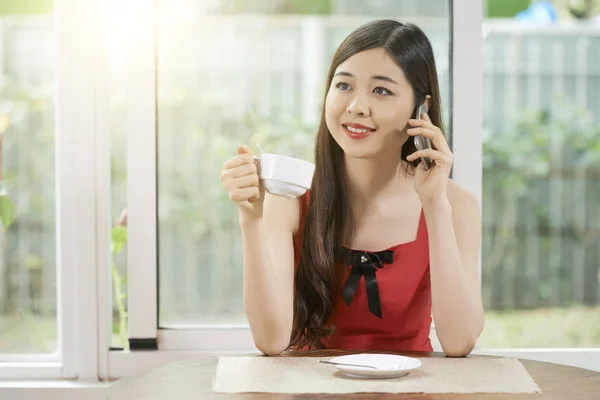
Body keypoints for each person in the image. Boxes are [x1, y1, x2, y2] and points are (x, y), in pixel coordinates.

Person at [219, 19, 484, 357]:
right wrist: (250, 220)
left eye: (381, 90)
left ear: (421, 108)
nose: (356, 106)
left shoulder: (455, 204)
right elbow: (271, 341)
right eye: (343, 86)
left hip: (412, 390)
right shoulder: (291, 198)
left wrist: (435, 205)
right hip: (308, 391)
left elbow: (459, 342)